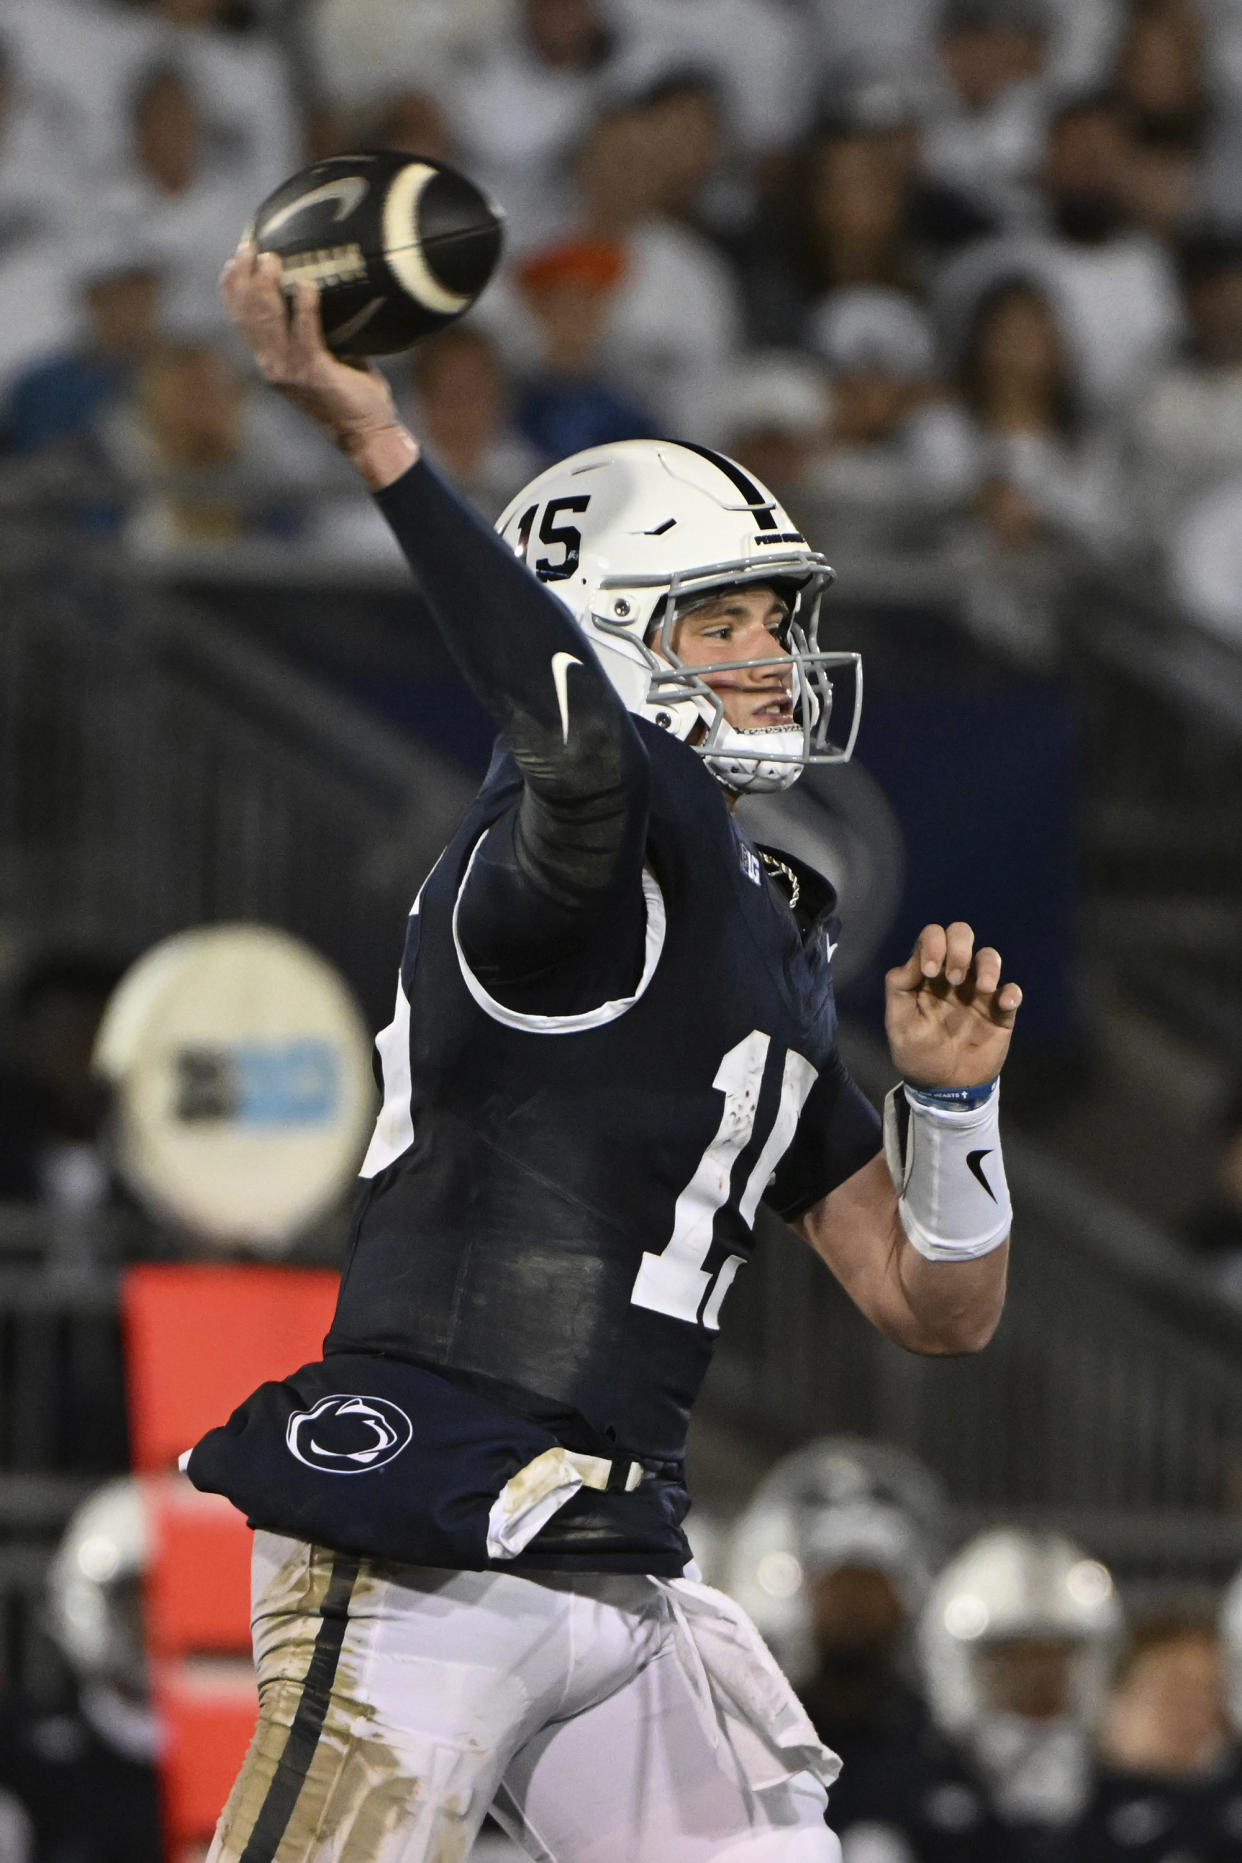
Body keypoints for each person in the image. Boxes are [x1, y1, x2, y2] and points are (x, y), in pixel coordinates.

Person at [187, 243, 1022, 1863]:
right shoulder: (570, 858)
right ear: (606, 638)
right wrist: (380, 442)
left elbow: (937, 1307)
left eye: (776, 617)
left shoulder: (755, 937)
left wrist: (952, 1102)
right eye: (724, 619)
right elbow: (571, 744)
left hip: (611, 1544)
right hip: (428, 1512)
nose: (773, 653)